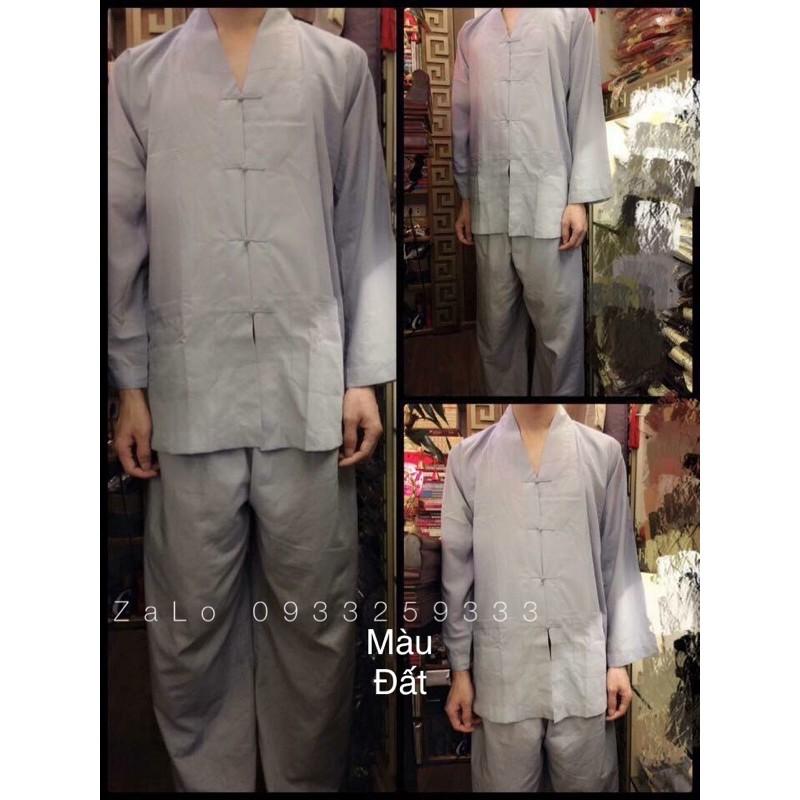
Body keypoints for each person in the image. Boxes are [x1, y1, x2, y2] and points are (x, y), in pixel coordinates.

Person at [108, 7, 395, 792]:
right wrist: (130, 385)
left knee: (314, 618)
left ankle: (306, 778)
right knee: (189, 623)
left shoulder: (337, 70)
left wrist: (362, 376)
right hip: (187, 391)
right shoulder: (137, 79)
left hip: (309, 390)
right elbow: (123, 243)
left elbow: (361, 224)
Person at [441, 404, 657, 792]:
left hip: (582, 670)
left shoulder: (603, 454)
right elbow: (457, 574)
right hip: (503, 672)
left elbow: (617, 560)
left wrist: (618, 662)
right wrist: (460, 670)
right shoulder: (467, 460)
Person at [452, 8, 612, 396]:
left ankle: (555, 414)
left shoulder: (571, 19)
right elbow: (462, 117)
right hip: (489, 202)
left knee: (559, 336)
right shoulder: (471, 34)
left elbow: (585, 106)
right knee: (495, 335)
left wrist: (578, 199)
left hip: (550, 205)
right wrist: (466, 196)